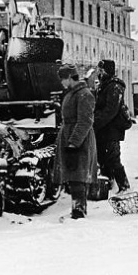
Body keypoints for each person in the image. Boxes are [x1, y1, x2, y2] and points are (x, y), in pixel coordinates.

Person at [55, 64, 98, 219]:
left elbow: (85, 121)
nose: (61, 82)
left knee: (78, 176)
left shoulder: (83, 94)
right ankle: (77, 209)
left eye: (62, 79)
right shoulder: (73, 93)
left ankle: (79, 211)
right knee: (73, 175)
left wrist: (74, 143)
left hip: (80, 141)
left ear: (69, 78)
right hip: (72, 138)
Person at [93, 59, 130, 194]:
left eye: (101, 70)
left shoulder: (114, 86)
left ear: (107, 71)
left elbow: (110, 110)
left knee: (113, 158)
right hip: (103, 129)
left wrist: (95, 122)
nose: (99, 73)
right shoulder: (104, 85)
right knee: (103, 158)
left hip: (112, 129)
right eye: (99, 70)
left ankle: (124, 186)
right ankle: (108, 184)